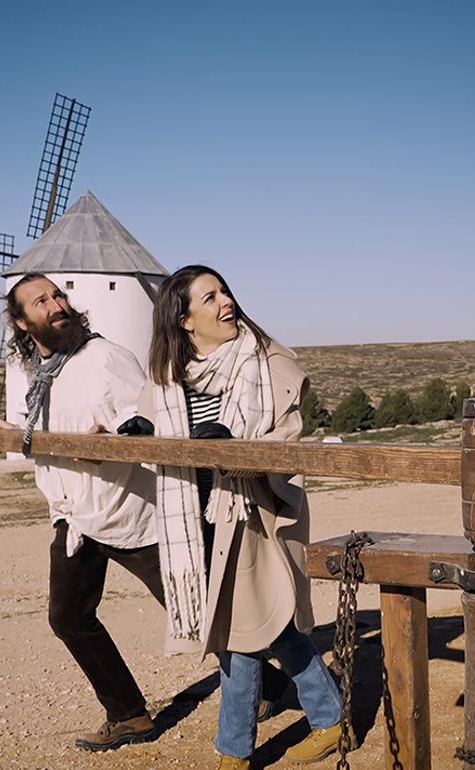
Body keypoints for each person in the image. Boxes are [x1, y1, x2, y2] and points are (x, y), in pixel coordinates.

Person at [139, 265, 345, 770]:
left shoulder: (266, 363)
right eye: (209, 298)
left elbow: (287, 439)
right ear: (184, 320)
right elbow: (159, 446)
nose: (225, 301)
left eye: (224, 291)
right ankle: (331, 718)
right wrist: (140, 436)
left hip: (251, 515)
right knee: (269, 627)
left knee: (240, 635)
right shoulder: (167, 380)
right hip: (196, 523)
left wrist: (237, 450)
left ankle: (234, 751)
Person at [0, 273, 164, 752]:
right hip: (73, 516)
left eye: (58, 295)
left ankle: (274, 685)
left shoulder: (105, 358)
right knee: (68, 617)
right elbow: (54, 423)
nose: (57, 304)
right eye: (41, 301)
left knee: (196, 611)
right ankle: (128, 714)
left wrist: (114, 444)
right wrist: (14, 428)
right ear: (22, 323)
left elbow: (147, 425)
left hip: (128, 511)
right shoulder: (42, 376)